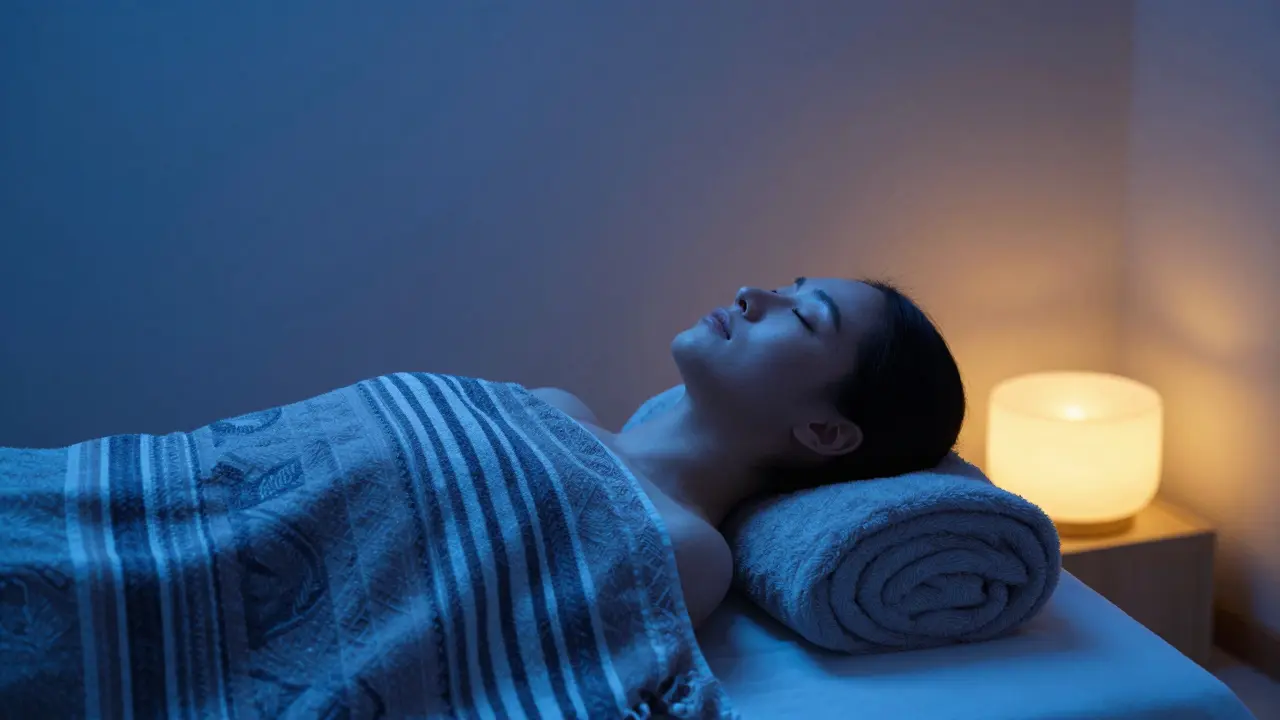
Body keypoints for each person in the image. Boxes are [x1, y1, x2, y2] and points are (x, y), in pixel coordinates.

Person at [531, 277, 966, 627]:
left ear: (824, 432)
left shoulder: (678, 545)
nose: (748, 295)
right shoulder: (551, 406)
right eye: (783, 290)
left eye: (802, 317)